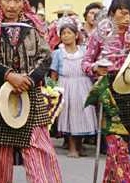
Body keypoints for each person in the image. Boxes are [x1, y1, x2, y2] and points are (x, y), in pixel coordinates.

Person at [0, 0, 62, 183]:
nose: (12, 5)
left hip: (29, 93)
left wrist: (29, 80)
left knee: (39, 148)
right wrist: (8, 75)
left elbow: (45, 57)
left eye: (17, 0)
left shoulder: (34, 27)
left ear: (24, 3)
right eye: (8, 0)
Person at [82, 0, 130, 183]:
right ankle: (127, 180)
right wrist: (95, 69)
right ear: (112, 12)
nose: (127, 19)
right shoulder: (100, 33)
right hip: (109, 90)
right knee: (116, 142)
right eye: (123, 14)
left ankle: (113, 179)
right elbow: (85, 63)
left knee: (129, 140)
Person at [50, 17, 97, 157]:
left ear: (76, 35)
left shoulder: (84, 51)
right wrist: (54, 90)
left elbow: (90, 68)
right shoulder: (58, 53)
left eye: (69, 33)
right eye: (63, 33)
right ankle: (72, 148)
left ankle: (80, 145)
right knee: (69, 116)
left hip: (83, 85)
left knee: (83, 114)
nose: (66, 36)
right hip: (66, 85)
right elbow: (53, 74)